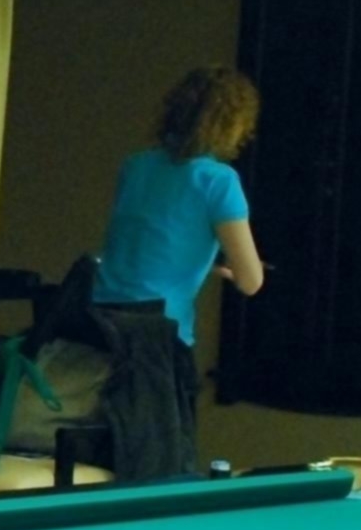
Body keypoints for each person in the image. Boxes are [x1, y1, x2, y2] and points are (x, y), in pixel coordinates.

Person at [93, 64, 266, 344]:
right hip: (156, 335)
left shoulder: (135, 166)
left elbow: (145, 243)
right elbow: (250, 282)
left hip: (97, 321)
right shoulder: (218, 181)